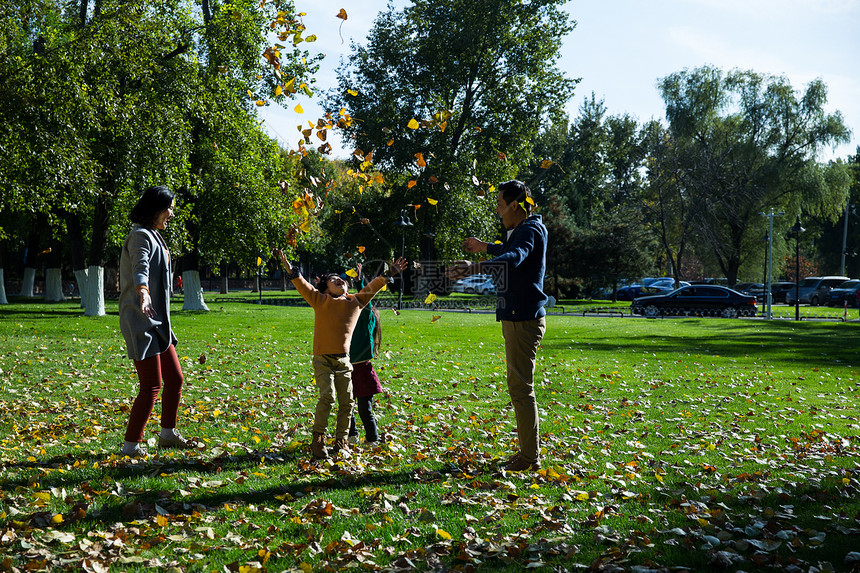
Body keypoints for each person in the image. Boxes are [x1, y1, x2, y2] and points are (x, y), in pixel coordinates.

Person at [446, 180, 548, 472]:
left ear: (515, 205)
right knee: (519, 387)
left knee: (521, 389)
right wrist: (485, 246)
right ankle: (529, 454)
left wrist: (472, 267)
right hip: (518, 316)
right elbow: (509, 248)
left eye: (501, 205)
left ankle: (529, 457)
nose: (497, 210)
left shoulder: (530, 229)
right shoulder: (526, 229)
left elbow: (514, 257)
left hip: (523, 319)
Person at [274, 250, 406, 460]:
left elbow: (372, 287)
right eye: (333, 279)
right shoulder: (319, 300)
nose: (340, 280)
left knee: (347, 403)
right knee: (328, 397)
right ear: (325, 287)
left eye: (342, 279)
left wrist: (389, 272)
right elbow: (301, 284)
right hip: (323, 360)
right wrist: (290, 267)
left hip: (345, 361)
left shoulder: (355, 302)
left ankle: (341, 441)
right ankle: (318, 440)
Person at [119, 186, 194, 457]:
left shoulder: (154, 235)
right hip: (141, 319)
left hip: (159, 321)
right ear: (155, 207)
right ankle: (131, 446)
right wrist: (143, 291)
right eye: (168, 208)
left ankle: (167, 434)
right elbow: (141, 267)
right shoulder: (140, 236)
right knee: (151, 385)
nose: (171, 213)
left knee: (175, 378)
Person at [347, 264, 384, 446]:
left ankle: (372, 439)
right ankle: (351, 435)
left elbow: (366, 299)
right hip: (345, 369)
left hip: (362, 370)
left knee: (364, 410)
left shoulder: (365, 318)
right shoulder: (347, 320)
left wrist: (359, 281)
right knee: (347, 407)